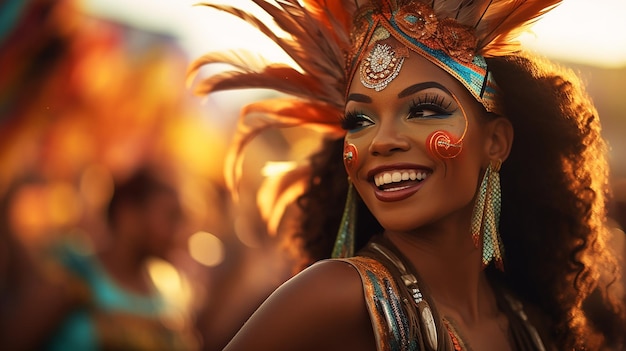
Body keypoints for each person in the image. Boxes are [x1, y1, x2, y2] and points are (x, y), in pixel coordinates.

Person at [189, 0, 625, 350]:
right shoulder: (338, 297)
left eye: (424, 109)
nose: (382, 141)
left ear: (496, 142)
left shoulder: (527, 320)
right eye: (359, 120)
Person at [44, 167, 199, 350]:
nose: (181, 233)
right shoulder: (70, 271)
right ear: (128, 214)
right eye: (172, 217)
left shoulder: (172, 298)